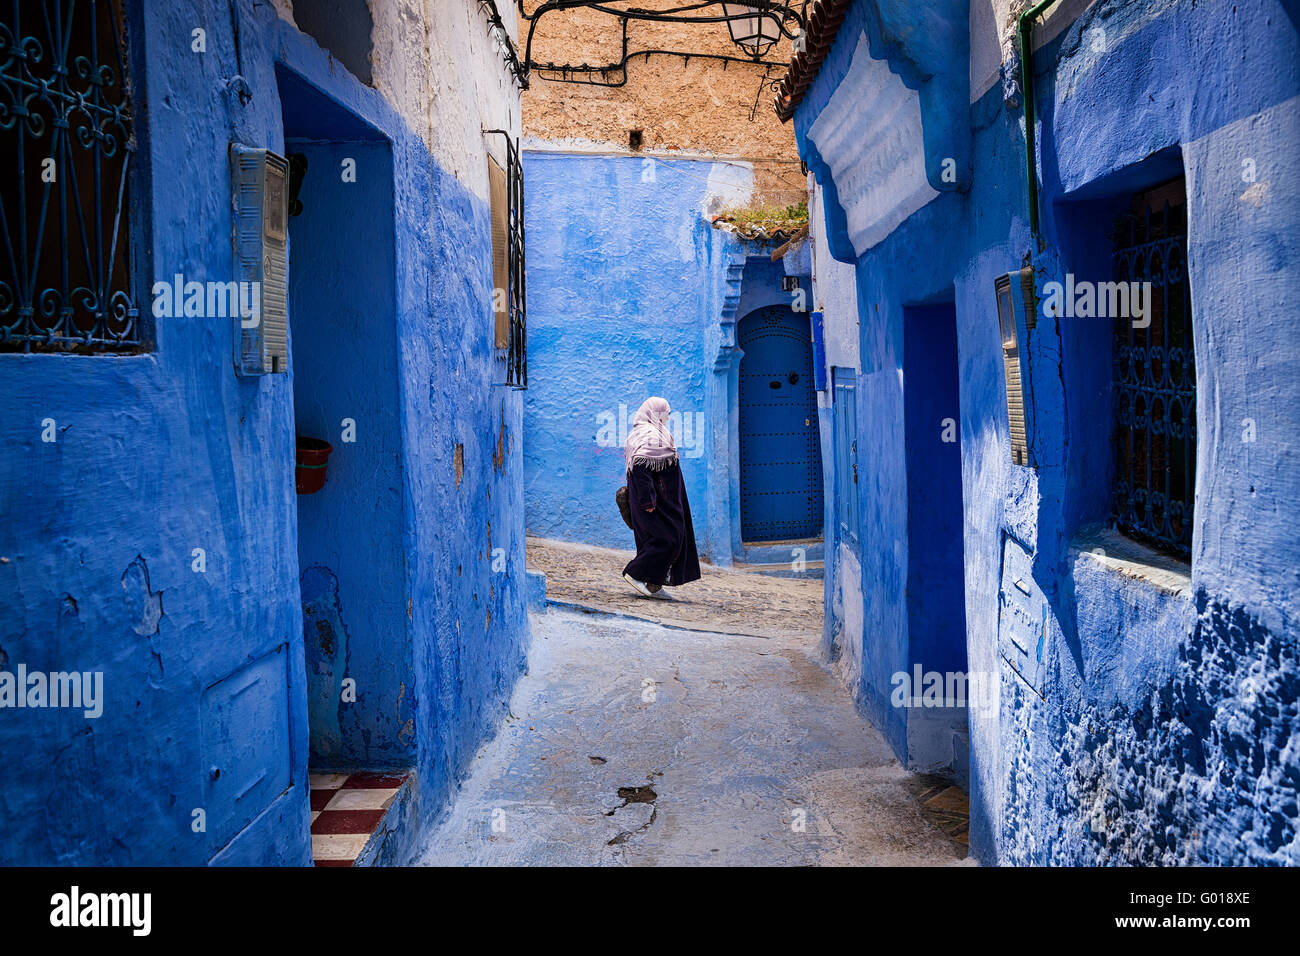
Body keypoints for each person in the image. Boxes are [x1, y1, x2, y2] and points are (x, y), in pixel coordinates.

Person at [620, 397, 701, 597]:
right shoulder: (649, 436)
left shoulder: (656, 433)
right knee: (668, 540)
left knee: (664, 539)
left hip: (666, 500)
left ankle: (653, 583)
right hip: (656, 503)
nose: (668, 417)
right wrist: (648, 500)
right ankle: (636, 573)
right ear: (655, 413)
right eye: (665, 413)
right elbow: (640, 466)